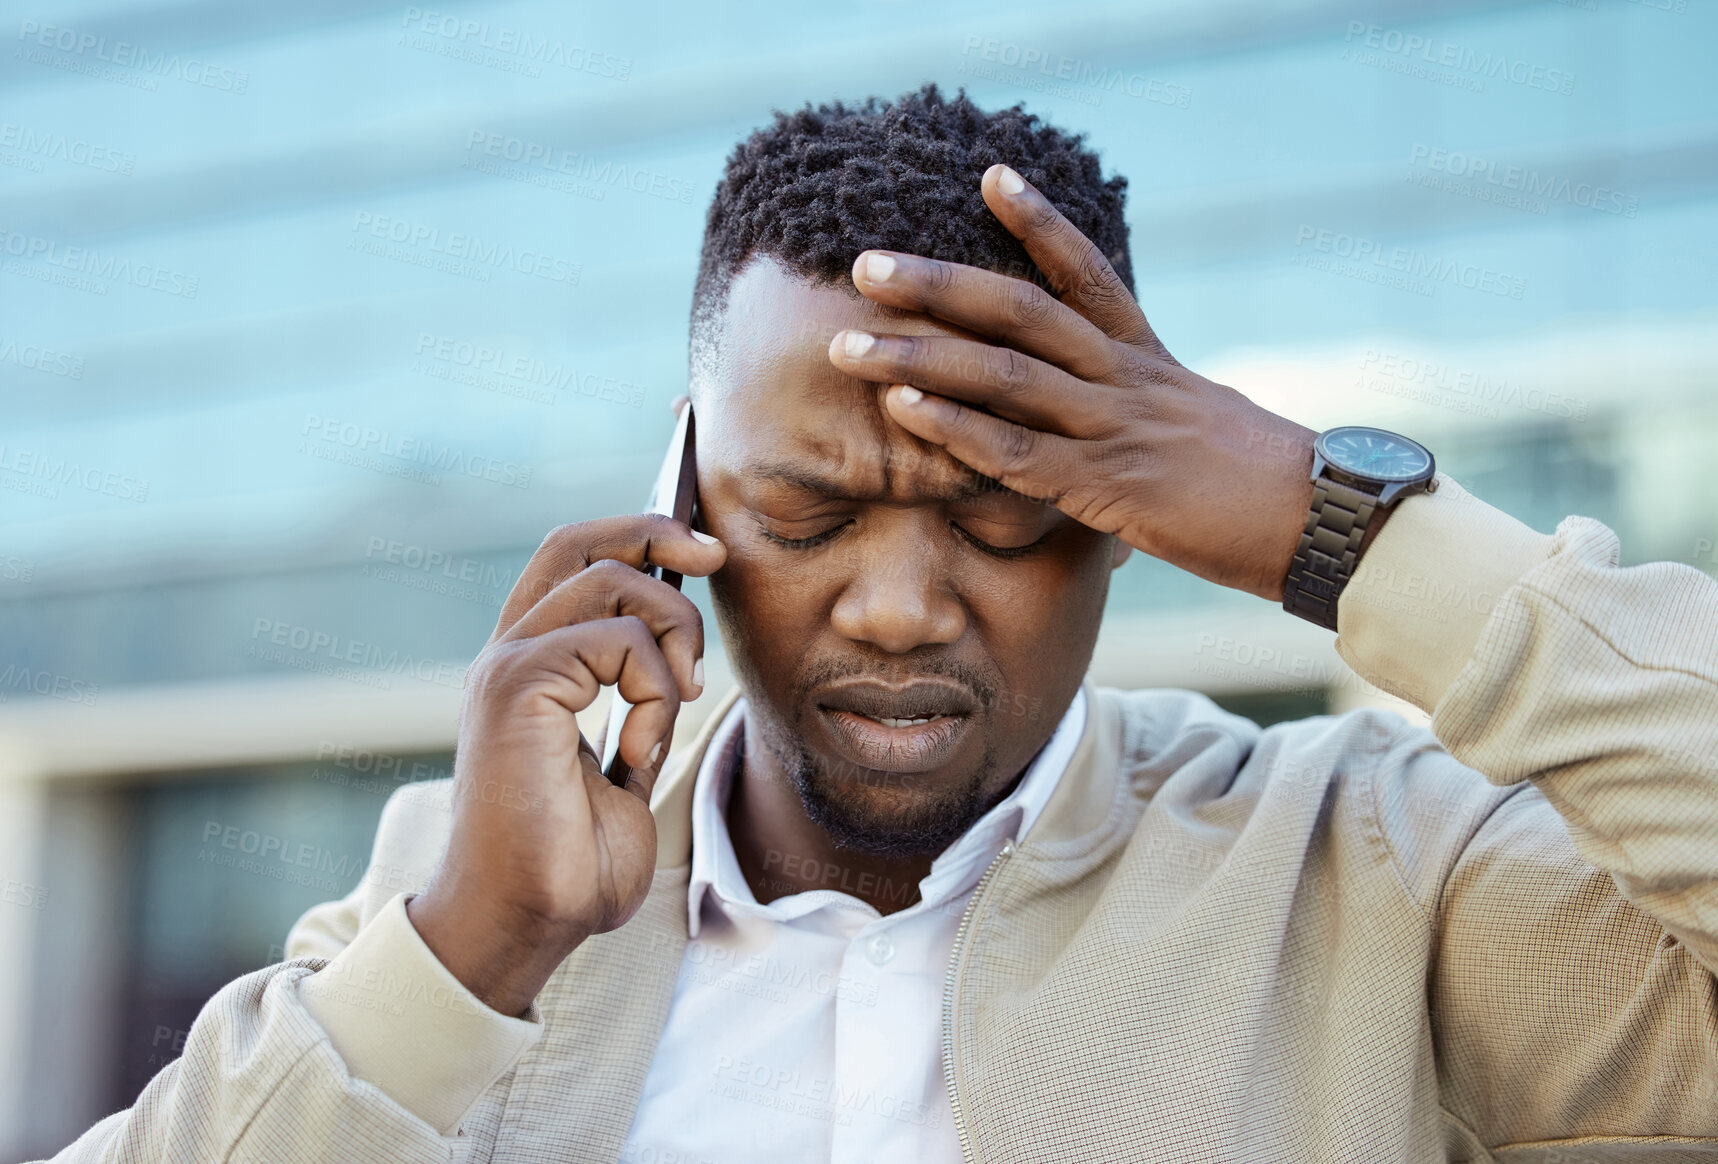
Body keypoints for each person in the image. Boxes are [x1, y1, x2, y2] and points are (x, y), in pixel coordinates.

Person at [40, 84, 1718, 1163]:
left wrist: (1334, 524)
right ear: (684, 498)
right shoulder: (471, 883)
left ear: (1130, 521)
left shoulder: (1370, 874)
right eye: (807, 515)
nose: (903, 607)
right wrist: (469, 953)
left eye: (1005, 516)